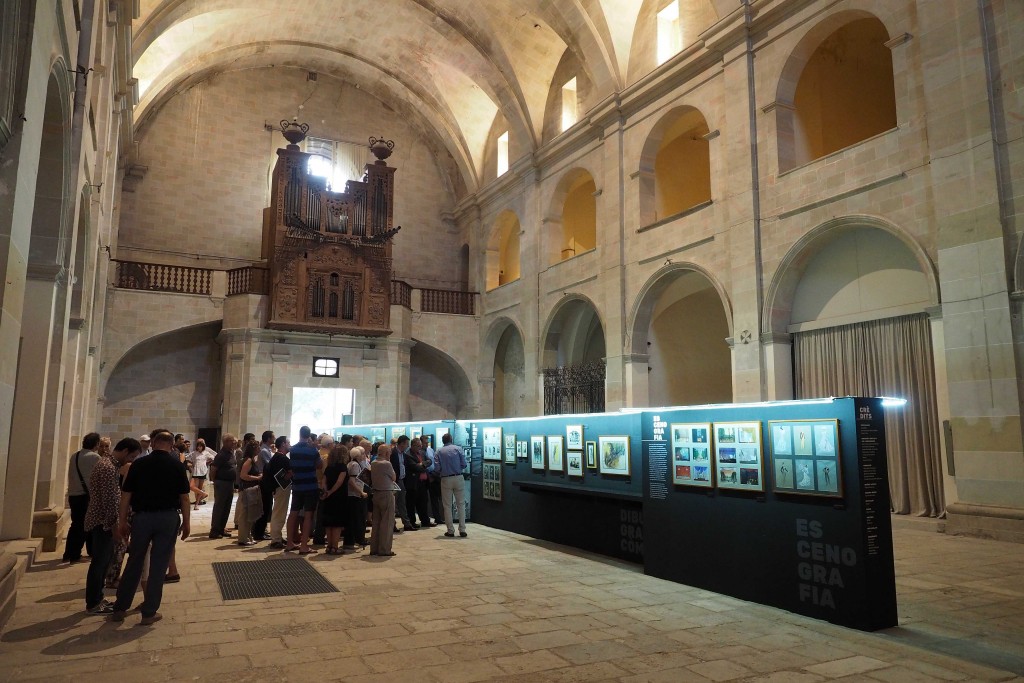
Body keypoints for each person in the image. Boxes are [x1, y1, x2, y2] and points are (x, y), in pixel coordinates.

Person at [109, 430, 190, 626]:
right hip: (168, 517)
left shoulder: (138, 464)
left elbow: (126, 494)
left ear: (153, 443)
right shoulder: (177, 465)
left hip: (142, 518)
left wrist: (121, 521)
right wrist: (187, 522)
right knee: (158, 565)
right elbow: (185, 497)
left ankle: (120, 607)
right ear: (171, 446)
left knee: (135, 561)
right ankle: (149, 612)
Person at [83, 437, 141, 614]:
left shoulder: (108, 464)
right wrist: (116, 527)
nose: (130, 461)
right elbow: (109, 502)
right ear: (124, 451)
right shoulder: (108, 468)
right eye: (131, 457)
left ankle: (98, 598)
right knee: (100, 563)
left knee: (102, 562)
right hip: (103, 522)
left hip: (101, 520)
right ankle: (93, 603)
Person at [63, 432, 102, 563]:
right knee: (86, 525)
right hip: (85, 496)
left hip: (73, 495)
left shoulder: (75, 455)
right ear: (96, 444)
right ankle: (76, 553)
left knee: (76, 524)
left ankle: (69, 552)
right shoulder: (94, 457)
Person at [285, 426, 324, 555]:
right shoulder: (312, 450)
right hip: (310, 485)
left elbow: (291, 465)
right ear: (309, 435)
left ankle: (289, 542)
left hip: (297, 485)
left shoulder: (293, 449)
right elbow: (319, 466)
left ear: (300, 434)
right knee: (308, 515)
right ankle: (304, 546)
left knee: (293, 513)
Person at [435, 433, 468, 538]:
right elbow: (464, 464)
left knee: (447, 506)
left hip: (446, 479)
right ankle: (462, 530)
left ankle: (450, 530)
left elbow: (437, 468)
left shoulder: (439, 451)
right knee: (461, 504)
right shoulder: (458, 449)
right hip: (458, 477)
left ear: (442, 441)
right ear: (451, 439)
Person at [320, 444, 350, 555]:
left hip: (328, 497)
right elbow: (339, 482)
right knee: (337, 523)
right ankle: (335, 547)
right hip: (339, 496)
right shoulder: (342, 467)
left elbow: (323, 481)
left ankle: (329, 546)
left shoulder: (329, 467)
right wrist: (331, 491)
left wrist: (326, 492)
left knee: (329, 522)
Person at [369, 444, 397, 557]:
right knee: (387, 522)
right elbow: (393, 477)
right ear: (386, 453)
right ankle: (384, 549)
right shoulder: (386, 464)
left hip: (376, 493)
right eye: (389, 452)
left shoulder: (373, 463)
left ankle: (374, 548)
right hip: (386, 493)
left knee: (376, 522)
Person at [208, 434, 238, 539]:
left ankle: (221, 528)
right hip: (222, 483)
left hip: (229, 483)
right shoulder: (221, 454)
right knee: (219, 507)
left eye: (234, 441)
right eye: (232, 441)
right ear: (225, 442)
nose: (234, 443)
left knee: (227, 507)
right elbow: (213, 469)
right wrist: (215, 481)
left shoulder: (231, 453)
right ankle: (215, 530)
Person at [265, 435, 292, 548]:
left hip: (278, 488)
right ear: (283, 444)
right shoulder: (282, 458)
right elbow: (289, 473)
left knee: (279, 512)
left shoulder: (277, 457)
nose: (290, 445)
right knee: (279, 513)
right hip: (281, 488)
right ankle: (276, 539)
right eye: (288, 443)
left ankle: (278, 536)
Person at [236, 441, 263, 546]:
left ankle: (247, 536)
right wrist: (257, 477)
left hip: (250, 489)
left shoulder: (251, 460)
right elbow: (243, 475)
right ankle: (243, 538)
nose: (259, 449)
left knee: (249, 515)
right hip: (247, 490)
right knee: (245, 515)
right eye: (257, 447)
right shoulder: (248, 460)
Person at [251, 429, 276, 540]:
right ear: (268, 438)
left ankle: (261, 531)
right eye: (273, 437)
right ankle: (259, 532)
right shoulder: (264, 451)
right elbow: (270, 465)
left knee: (266, 507)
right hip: (264, 482)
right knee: (264, 508)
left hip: (266, 481)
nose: (274, 439)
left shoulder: (267, 450)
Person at [404, 437, 433, 528]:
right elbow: (416, 467)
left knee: (423, 503)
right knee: (411, 504)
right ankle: (412, 522)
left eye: (420, 446)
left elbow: (430, 461)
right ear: (412, 446)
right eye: (418, 446)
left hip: (423, 482)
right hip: (413, 483)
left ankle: (425, 521)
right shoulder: (408, 455)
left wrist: (422, 464)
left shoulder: (422, 453)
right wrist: (422, 465)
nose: (420, 448)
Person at [344, 445, 369, 551]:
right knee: (354, 519)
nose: (365, 455)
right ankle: (350, 541)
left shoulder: (355, 464)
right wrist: (361, 492)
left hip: (355, 495)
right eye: (363, 453)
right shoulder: (354, 465)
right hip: (354, 496)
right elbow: (352, 481)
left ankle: (357, 539)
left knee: (356, 519)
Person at [391, 435, 415, 531]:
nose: (407, 446)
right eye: (406, 444)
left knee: (402, 502)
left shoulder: (404, 454)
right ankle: (392, 524)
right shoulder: (393, 453)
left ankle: (407, 524)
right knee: (393, 504)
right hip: (394, 481)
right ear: (401, 444)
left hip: (401, 480)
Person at [188, 438, 215, 509]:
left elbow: (213, 457)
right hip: (196, 471)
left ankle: (196, 505)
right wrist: (192, 464)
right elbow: (187, 457)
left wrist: (207, 463)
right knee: (192, 486)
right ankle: (204, 494)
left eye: (200, 446)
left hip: (203, 471)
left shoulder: (206, 452)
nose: (199, 447)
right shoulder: (194, 453)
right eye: (198, 446)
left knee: (200, 487)